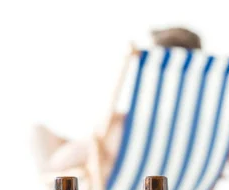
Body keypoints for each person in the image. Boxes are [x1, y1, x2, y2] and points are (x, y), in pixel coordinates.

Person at [32, 27, 202, 180]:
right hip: (151, 172)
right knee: (43, 134)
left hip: (117, 174)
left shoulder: (137, 123)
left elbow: (94, 150)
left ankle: (51, 189)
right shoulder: (201, 122)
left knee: (45, 141)